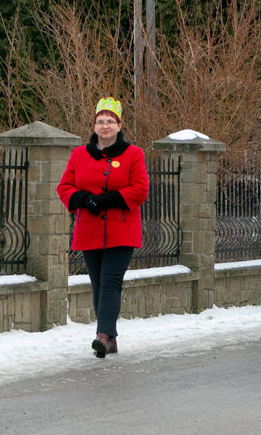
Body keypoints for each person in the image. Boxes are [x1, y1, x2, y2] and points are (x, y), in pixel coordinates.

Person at [57, 97, 149, 358]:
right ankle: (112, 338)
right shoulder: (78, 155)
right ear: (94, 125)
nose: (105, 126)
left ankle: (102, 335)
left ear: (119, 126)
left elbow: (140, 189)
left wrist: (108, 199)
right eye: (100, 121)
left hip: (122, 230)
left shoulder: (134, 154)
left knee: (110, 282)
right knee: (98, 284)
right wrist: (85, 199)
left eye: (110, 121)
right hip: (89, 230)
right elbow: (64, 187)